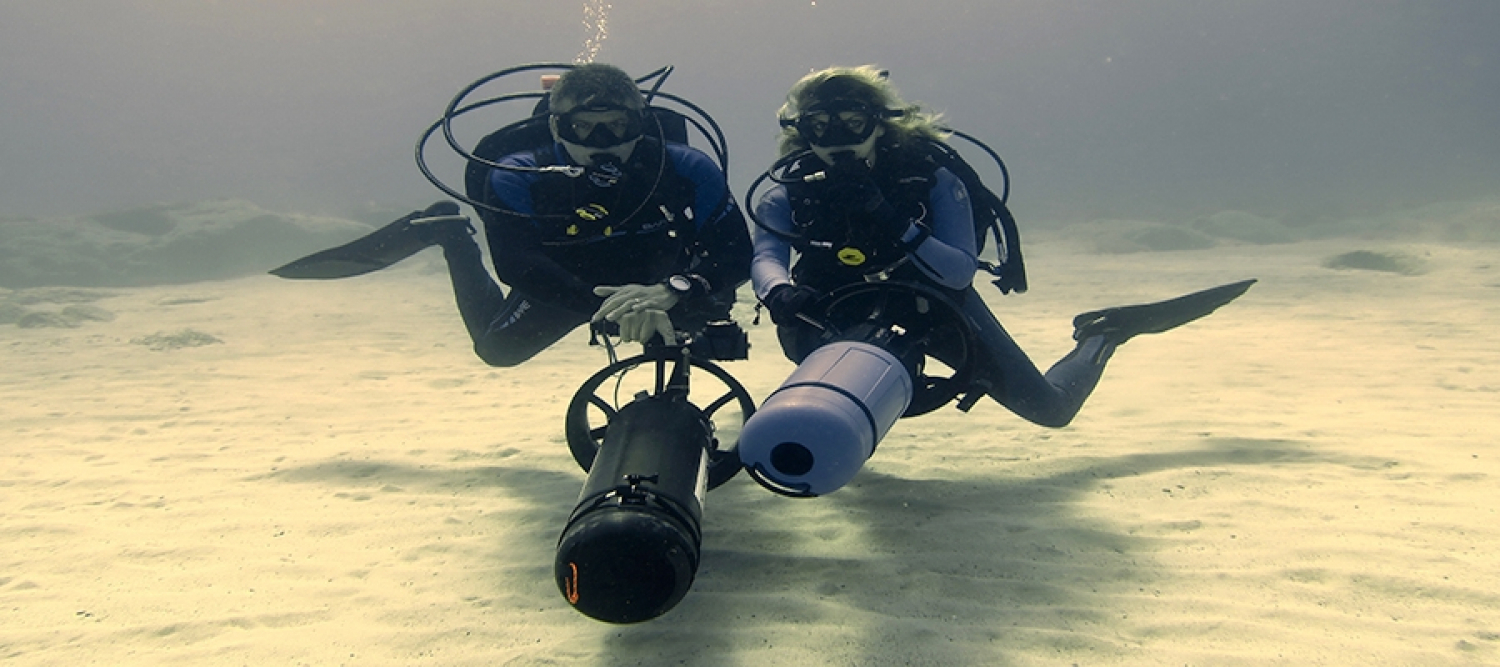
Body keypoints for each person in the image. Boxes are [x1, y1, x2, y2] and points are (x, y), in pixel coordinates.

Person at [750, 65, 1251, 427]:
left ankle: (1105, 332)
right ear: (800, 132)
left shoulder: (930, 177)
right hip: (829, 310)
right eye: (818, 126)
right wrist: (779, 293)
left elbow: (958, 273)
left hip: (936, 304)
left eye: (852, 122)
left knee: (1052, 410)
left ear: (880, 122)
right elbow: (767, 256)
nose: (835, 138)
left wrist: (890, 217)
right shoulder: (789, 188)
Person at [278, 63, 751, 366]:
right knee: (498, 351)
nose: (600, 144)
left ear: (641, 123)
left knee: (700, 323)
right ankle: (448, 234)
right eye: (582, 129)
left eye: (617, 128)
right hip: (569, 273)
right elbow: (517, 264)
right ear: (554, 126)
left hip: (659, 275)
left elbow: (735, 251)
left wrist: (675, 289)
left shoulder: (686, 168)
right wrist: (602, 308)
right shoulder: (518, 173)